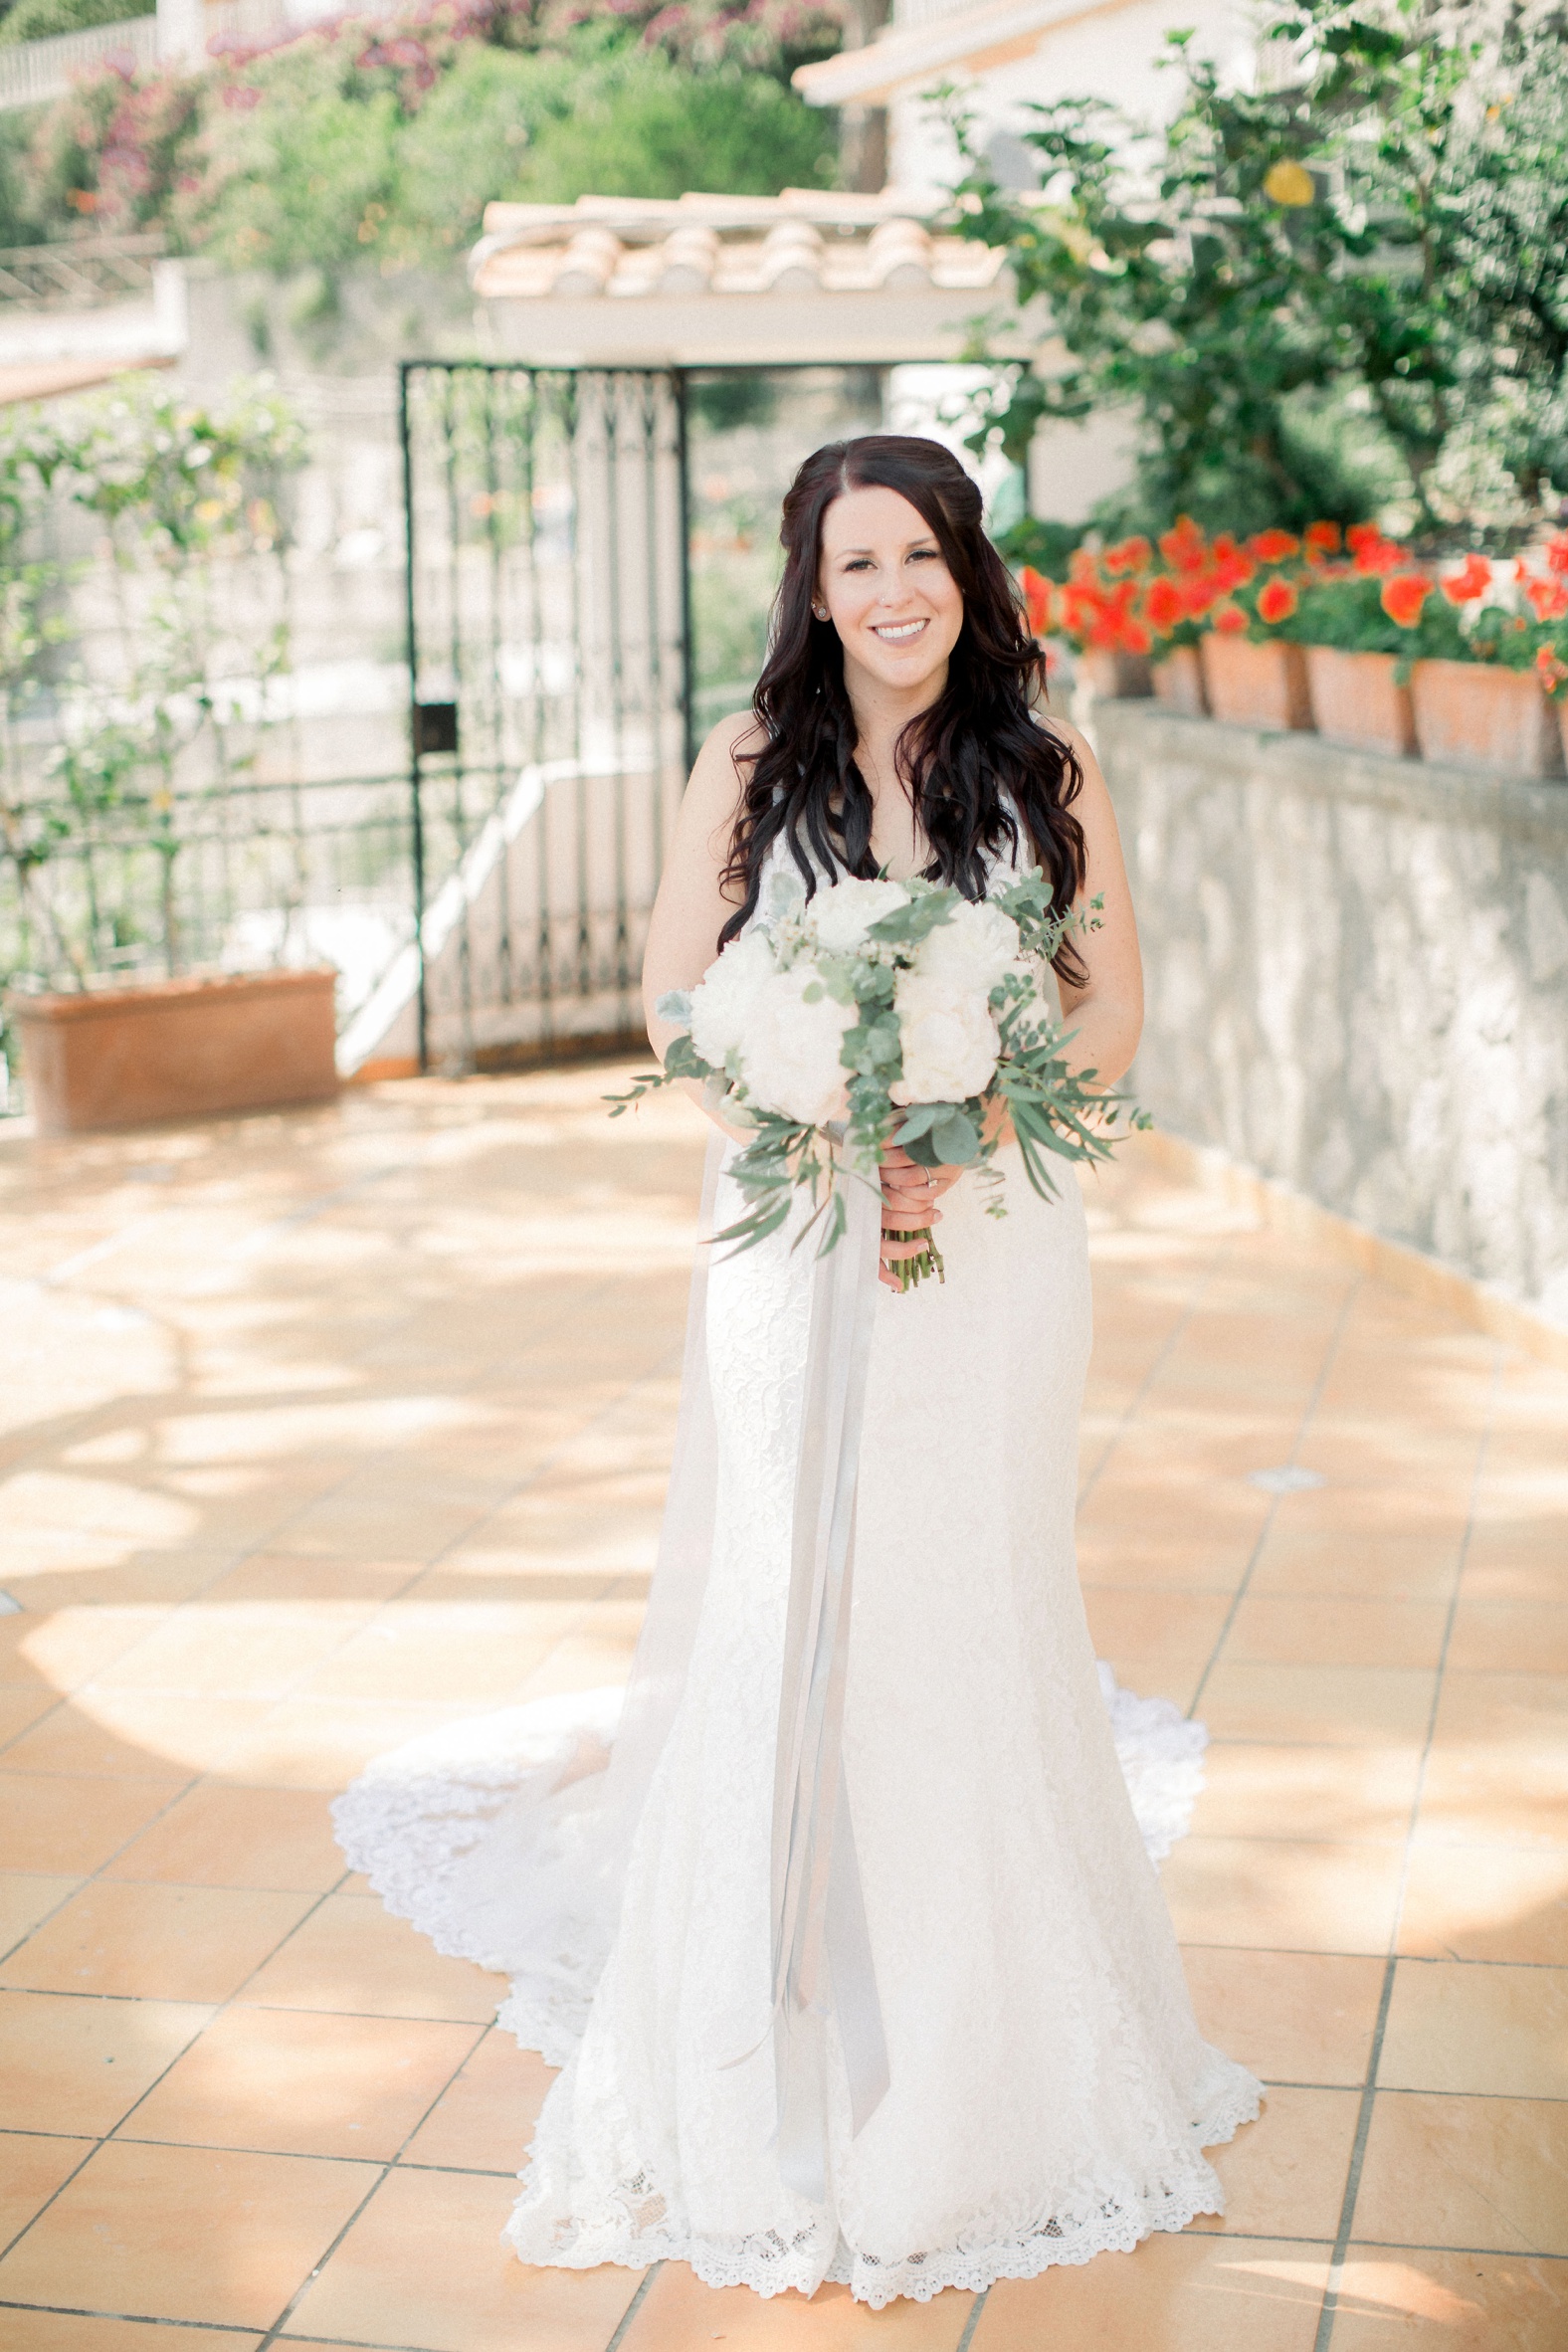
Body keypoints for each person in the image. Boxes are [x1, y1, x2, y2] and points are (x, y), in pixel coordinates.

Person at [335, 434, 1260, 2308]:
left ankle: (983, 2078)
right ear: (814, 591)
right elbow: (679, 1001)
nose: (894, 593)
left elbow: (1112, 1005)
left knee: (969, 1593)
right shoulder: (754, 763)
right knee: (792, 1597)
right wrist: (817, 1106)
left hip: (995, 1250)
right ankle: (764, 2043)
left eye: (922, 555)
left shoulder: (1050, 759)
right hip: (794, 1230)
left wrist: (975, 1128)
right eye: (858, 565)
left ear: (967, 573)